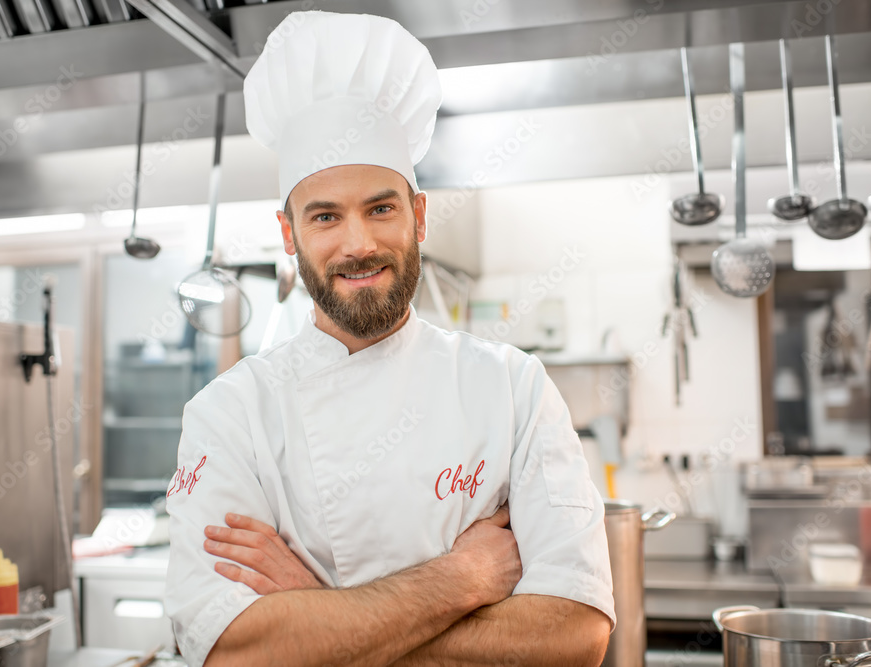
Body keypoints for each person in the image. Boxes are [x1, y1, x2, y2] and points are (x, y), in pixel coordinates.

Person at [163, 11, 614, 667]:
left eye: (381, 207)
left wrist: (321, 609)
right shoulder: (229, 416)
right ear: (289, 235)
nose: (359, 243)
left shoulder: (512, 387)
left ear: (419, 215)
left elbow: (575, 634)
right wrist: (460, 581)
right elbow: (235, 651)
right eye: (325, 216)